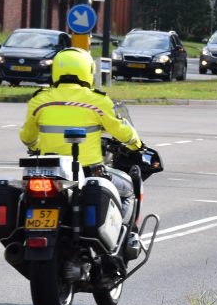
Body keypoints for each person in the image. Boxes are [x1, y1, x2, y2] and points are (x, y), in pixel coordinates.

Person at [19, 48, 143, 211]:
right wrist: (136, 144)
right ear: (88, 70)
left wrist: (36, 147)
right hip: (88, 172)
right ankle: (125, 234)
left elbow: (27, 137)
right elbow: (121, 131)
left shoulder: (39, 100)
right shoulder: (98, 101)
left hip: (48, 172)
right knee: (128, 190)